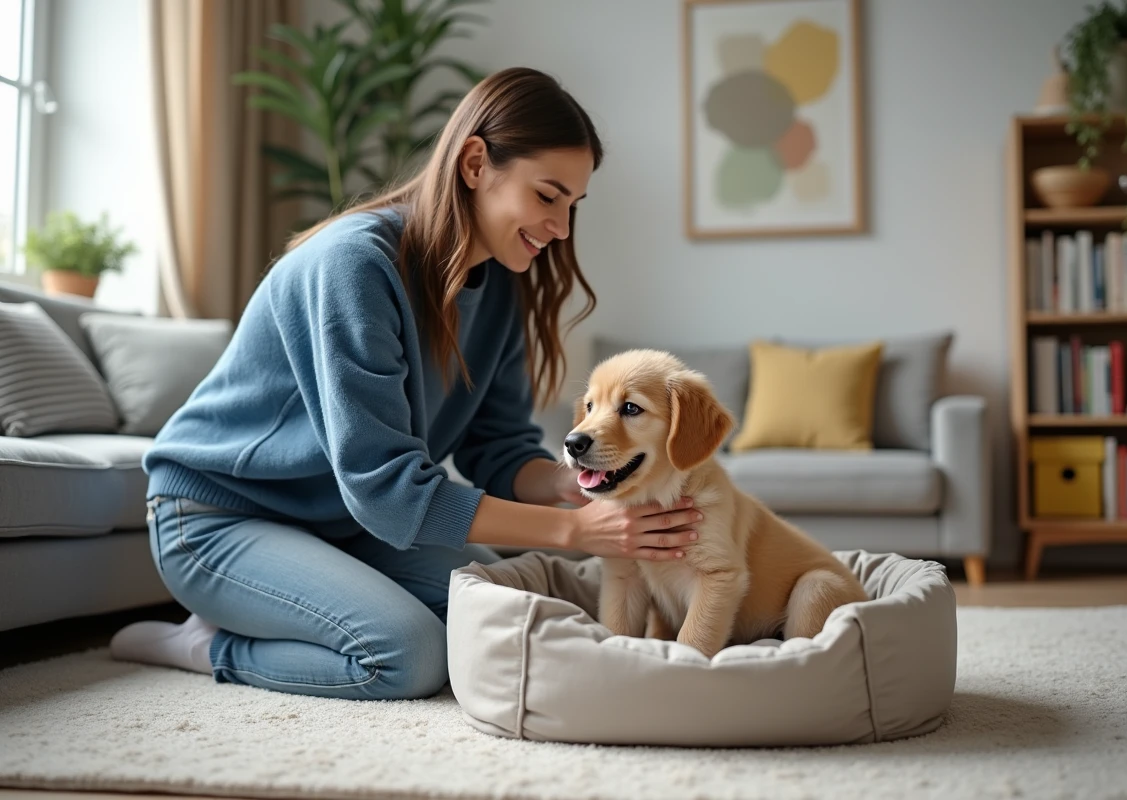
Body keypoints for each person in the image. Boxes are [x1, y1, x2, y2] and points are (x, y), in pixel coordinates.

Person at [108, 66, 703, 701]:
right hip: (217, 517)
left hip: (346, 524)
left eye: (572, 206)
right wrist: (573, 532)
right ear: (475, 163)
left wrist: (573, 485)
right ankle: (205, 643)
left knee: (505, 619)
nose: (560, 228)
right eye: (547, 196)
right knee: (406, 656)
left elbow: (496, 447)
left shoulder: (502, 284)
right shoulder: (354, 264)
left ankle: (290, 603)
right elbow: (389, 491)